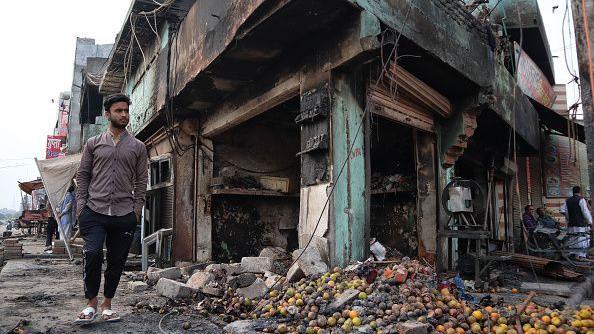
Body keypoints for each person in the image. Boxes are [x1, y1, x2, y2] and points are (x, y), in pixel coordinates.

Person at [75, 94, 148, 323]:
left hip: (124, 213)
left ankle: (107, 305)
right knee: (93, 252)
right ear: (108, 114)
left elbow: (141, 181)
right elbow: (83, 175)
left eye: (126, 110)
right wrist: (80, 208)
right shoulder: (93, 144)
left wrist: (136, 211)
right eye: (119, 111)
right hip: (94, 211)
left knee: (117, 261)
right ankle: (91, 304)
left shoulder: (138, 147)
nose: (124, 114)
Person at [560, 186, 593, 261]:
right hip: (580, 224)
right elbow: (585, 212)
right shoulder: (581, 199)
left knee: (573, 239)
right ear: (580, 192)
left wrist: (568, 217)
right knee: (582, 239)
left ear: (573, 192)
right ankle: (581, 256)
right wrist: (590, 222)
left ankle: (578, 255)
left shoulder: (568, 200)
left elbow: (561, 209)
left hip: (571, 224)